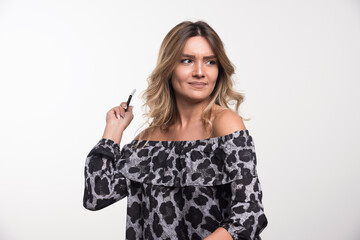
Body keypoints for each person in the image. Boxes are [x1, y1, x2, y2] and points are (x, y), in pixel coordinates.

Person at [83, 21, 268, 240]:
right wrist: (113, 131)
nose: (200, 72)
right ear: (169, 67)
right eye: (187, 61)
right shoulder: (148, 140)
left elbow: (249, 214)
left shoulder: (225, 124)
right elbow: (97, 196)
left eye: (210, 62)